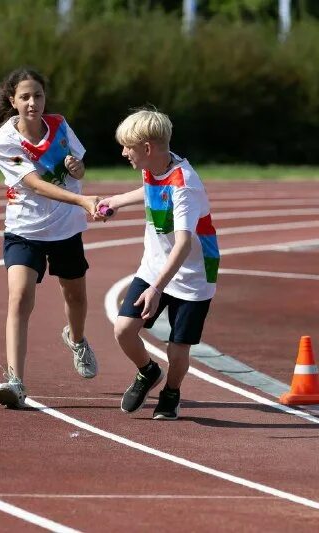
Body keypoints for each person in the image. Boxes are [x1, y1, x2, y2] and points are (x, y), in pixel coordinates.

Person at [0, 67, 103, 409]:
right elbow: (34, 183)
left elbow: (78, 165)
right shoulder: (7, 141)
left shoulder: (60, 126)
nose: (32, 102)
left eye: (37, 95)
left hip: (65, 229)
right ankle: (15, 381)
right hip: (25, 229)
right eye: (24, 97)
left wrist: (77, 170)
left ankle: (76, 340)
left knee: (76, 299)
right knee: (19, 297)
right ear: (13, 101)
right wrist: (82, 199)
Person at [97, 109, 219, 420]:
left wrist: (156, 288)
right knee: (124, 329)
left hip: (193, 275)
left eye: (128, 146)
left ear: (147, 148)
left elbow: (183, 244)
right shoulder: (154, 165)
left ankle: (171, 392)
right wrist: (116, 201)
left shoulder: (185, 187)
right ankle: (148, 372)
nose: (124, 153)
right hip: (155, 265)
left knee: (177, 350)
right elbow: (151, 190)